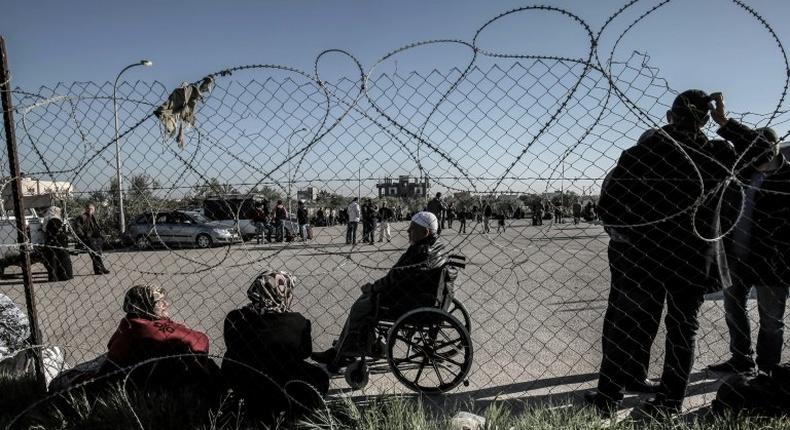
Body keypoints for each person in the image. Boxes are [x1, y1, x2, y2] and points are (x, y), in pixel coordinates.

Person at [585, 90, 775, 416]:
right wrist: (725, 122)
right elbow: (763, 153)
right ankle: (670, 403)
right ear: (704, 119)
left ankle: (607, 399)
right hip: (692, 258)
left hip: (643, 257)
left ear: (669, 116)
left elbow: (610, 207)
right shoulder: (716, 153)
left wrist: (633, 237)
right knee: (683, 329)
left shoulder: (641, 153)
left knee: (625, 324)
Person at [312, 212, 447, 366]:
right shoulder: (436, 245)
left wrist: (374, 288)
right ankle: (346, 344)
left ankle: (344, 353)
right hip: (419, 297)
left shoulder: (420, 251)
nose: (408, 231)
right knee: (364, 302)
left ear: (425, 232)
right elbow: (398, 277)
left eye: (412, 228)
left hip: (405, 302)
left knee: (360, 307)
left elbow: (395, 279)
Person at [708, 128, 790, 375]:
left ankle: (768, 369)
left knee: (771, 319)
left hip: (775, 262)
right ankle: (741, 358)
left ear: (776, 146)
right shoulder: (742, 174)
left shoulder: (788, 176)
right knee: (734, 309)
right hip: (738, 257)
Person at [223, 270, 328, 420]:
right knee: (319, 376)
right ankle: (301, 415)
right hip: (281, 382)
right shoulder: (298, 322)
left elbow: (231, 345)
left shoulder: (234, 317)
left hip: (243, 379)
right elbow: (305, 352)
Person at [99, 284, 222, 393]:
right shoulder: (145, 329)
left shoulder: (130, 322)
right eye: (159, 301)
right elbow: (198, 341)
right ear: (144, 306)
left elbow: (113, 345)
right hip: (151, 383)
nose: (166, 304)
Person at [74, 203, 109, 275]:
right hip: (89, 238)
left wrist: (102, 235)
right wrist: (83, 236)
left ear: (94, 210)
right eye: (89, 208)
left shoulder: (94, 217)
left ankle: (101, 268)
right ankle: (99, 269)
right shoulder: (82, 217)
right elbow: (77, 228)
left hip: (96, 238)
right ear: (86, 209)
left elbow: (98, 228)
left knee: (98, 253)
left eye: (92, 209)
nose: (90, 210)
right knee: (94, 253)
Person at [42, 206, 73, 282]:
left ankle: (55, 277)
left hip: (54, 243)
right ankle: (64, 276)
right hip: (60, 243)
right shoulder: (56, 220)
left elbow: (47, 231)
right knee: (62, 260)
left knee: (53, 261)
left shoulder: (51, 220)